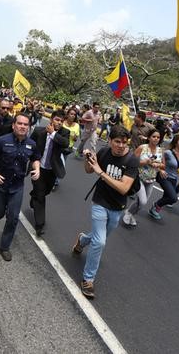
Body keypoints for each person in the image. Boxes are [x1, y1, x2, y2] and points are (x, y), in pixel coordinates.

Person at [72, 125, 139, 299]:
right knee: (100, 242)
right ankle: (88, 279)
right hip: (100, 202)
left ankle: (82, 239)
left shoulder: (131, 160)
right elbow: (88, 170)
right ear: (109, 141)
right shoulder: (103, 153)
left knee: (97, 238)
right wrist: (89, 159)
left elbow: (124, 188)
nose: (121, 145)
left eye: (124, 142)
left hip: (118, 206)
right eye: (117, 141)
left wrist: (100, 172)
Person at [0, 113, 41, 261]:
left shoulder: (31, 144)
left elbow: (35, 158)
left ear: (28, 127)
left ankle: (4, 247)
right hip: (0, 184)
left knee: (13, 217)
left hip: (17, 186)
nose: (23, 126)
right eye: (20, 123)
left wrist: (37, 168)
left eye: (25, 124)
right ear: (14, 125)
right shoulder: (2, 141)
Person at [29, 109, 69, 236]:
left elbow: (65, 143)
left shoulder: (64, 133)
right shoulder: (38, 130)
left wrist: (52, 134)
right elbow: (30, 144)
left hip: (52, 170)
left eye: (61, 121)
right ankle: (39, 225)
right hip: (38, 168)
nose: (59, 123)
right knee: (40, 196)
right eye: (57, 120)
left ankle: (33, 196)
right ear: (51, 119)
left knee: (44, 192)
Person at [122, 128, 164, 227]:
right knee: (143, 201)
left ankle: (131, 214)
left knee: (141, 203)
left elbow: (163, 165)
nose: (156, 139)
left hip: (151, 180)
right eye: (154, 136)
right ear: (149, 137)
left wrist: (158, 165)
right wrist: (145, 162)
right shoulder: (142, 148)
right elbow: (132, 162)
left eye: (158, 137)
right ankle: (128, 213)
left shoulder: (160, 150)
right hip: (138, 178)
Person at [148, 133, 179, 221]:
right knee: (173, 198)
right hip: (164, 176)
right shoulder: (168, 153)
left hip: (174, 179)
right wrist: (161, 170)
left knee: (167, 198)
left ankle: (155, 210)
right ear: (175, 142)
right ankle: (155, 206)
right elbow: (158, 162)